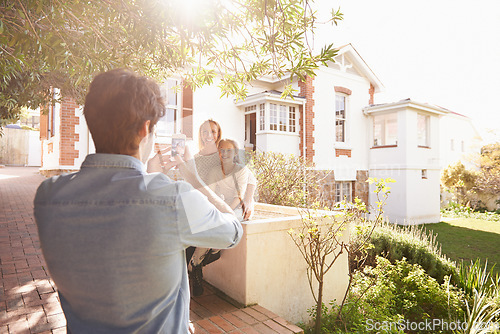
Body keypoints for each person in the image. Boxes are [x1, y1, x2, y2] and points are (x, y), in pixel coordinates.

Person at [33, 69, 242, 334]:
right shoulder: (173, 198)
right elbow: (233, 232)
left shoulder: (49, 196)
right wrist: (196, 183)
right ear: (146, 128)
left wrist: (147, 175)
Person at [208, 139, 257, 221]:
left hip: (241, 206)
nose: (225, 153)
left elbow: (238, 197)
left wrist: (226, 212)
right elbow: (210, 193)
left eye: (229, 150)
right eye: (222, 150)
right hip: (226, 204)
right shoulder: (214, 171)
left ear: (236, 152)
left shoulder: (241, 170)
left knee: (224, 220)